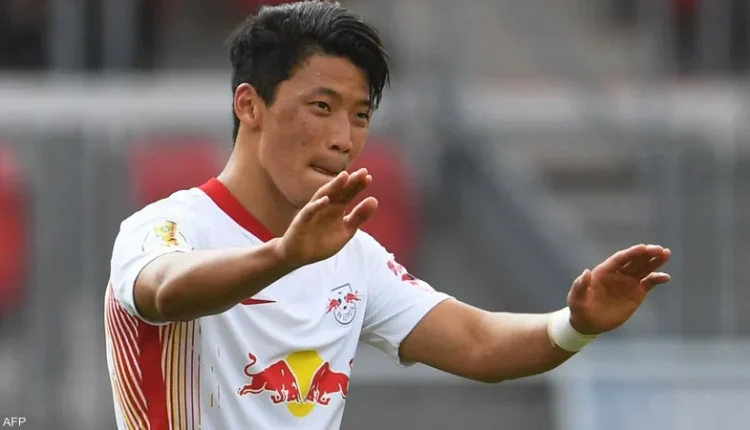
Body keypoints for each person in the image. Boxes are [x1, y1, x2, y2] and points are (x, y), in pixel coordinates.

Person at [103, 2, 672, 429]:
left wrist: (577, 325)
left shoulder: (351, 256)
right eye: (321, 106)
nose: (342, 139)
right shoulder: (168, 228)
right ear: (249, 105)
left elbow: (477, 342)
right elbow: (165, 292)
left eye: (360, 115)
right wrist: (282, 257)